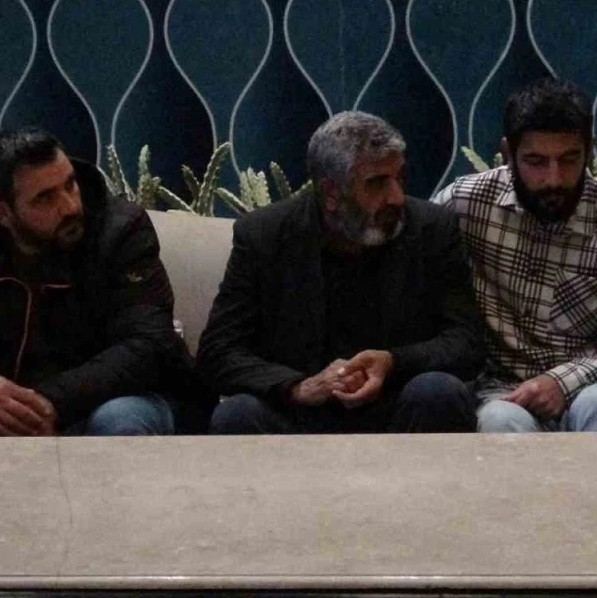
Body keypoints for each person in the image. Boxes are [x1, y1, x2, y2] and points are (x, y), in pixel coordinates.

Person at [432, 77, 597, 598]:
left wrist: (563, 379)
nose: (554, 178)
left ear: (589, 150)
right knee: (501, 425)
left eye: (569, 160)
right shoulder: (462, 205)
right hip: (497, 385)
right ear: (508, 153)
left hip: (592, 379)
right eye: (536, 162)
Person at [0, 127, 209, 442]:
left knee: (118, 418)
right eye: (45, 198)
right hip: (4, 407)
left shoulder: (121, 231)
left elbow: (149, 345)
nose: (70, 206)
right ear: (1, 213)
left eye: (70, 184)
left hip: (108, 397)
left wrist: (42, 405)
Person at [197, 111, 484, 435]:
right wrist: (298, 387)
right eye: (377, 183)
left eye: (400, 178)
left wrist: (393, 361)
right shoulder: (264, 236)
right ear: (331, 194)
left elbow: (467, 342)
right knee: (237, 414)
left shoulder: (431, 229)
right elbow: (218, 352)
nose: (396, 197)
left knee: (439, 392)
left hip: (395, 407)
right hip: (302, 416)